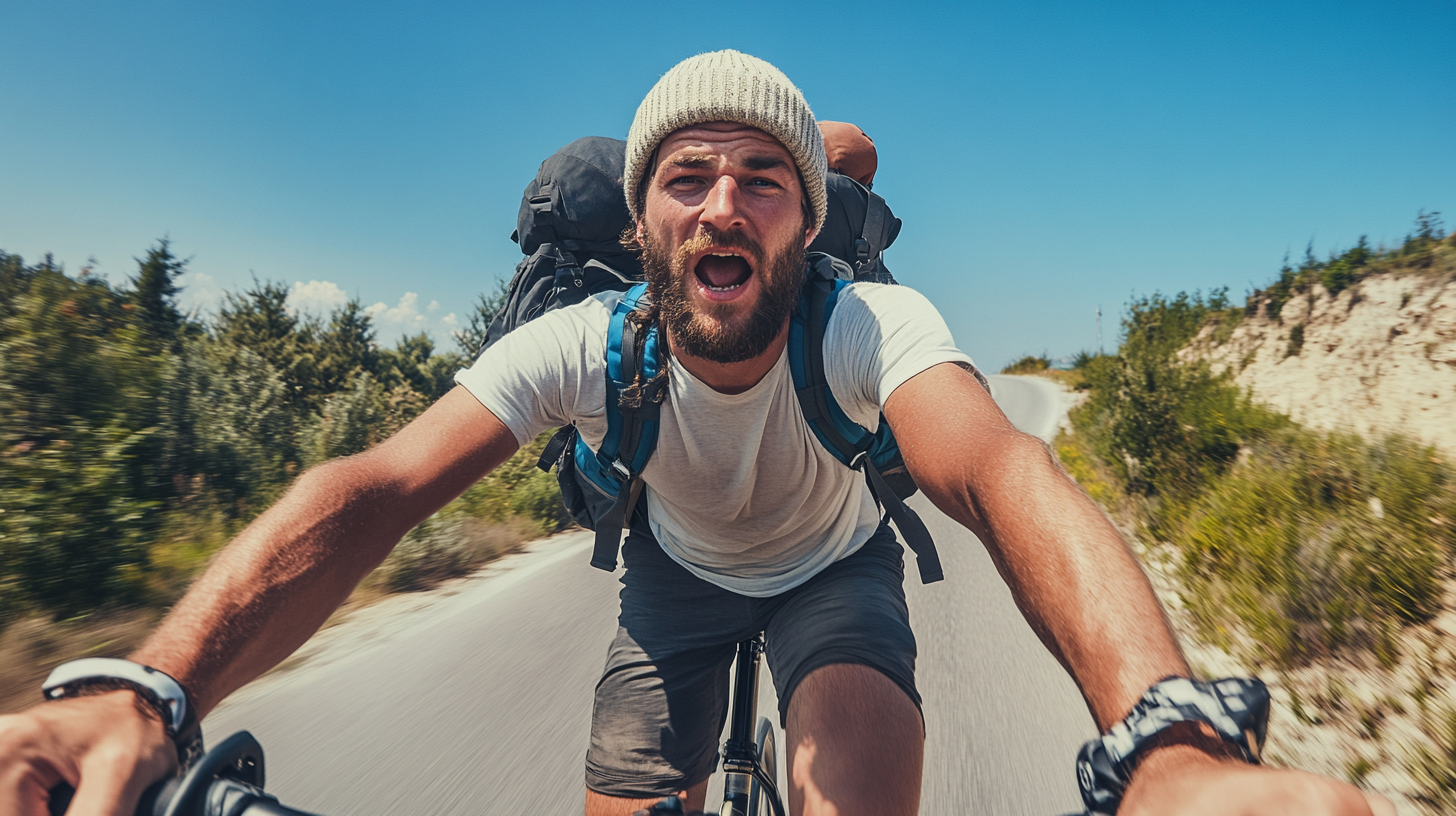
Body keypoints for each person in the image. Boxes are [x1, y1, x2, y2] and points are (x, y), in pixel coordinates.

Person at [0, 50, 1393, 816]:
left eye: (763, 179)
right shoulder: (582, 346)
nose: (723, 204)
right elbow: (372, 490)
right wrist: (154, 686)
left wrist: (1169, 746)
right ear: (642, 225)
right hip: (672, 585)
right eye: (687, 177)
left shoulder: (866, 326)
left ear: (805, 220)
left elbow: (1003, 470)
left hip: (835, 575)